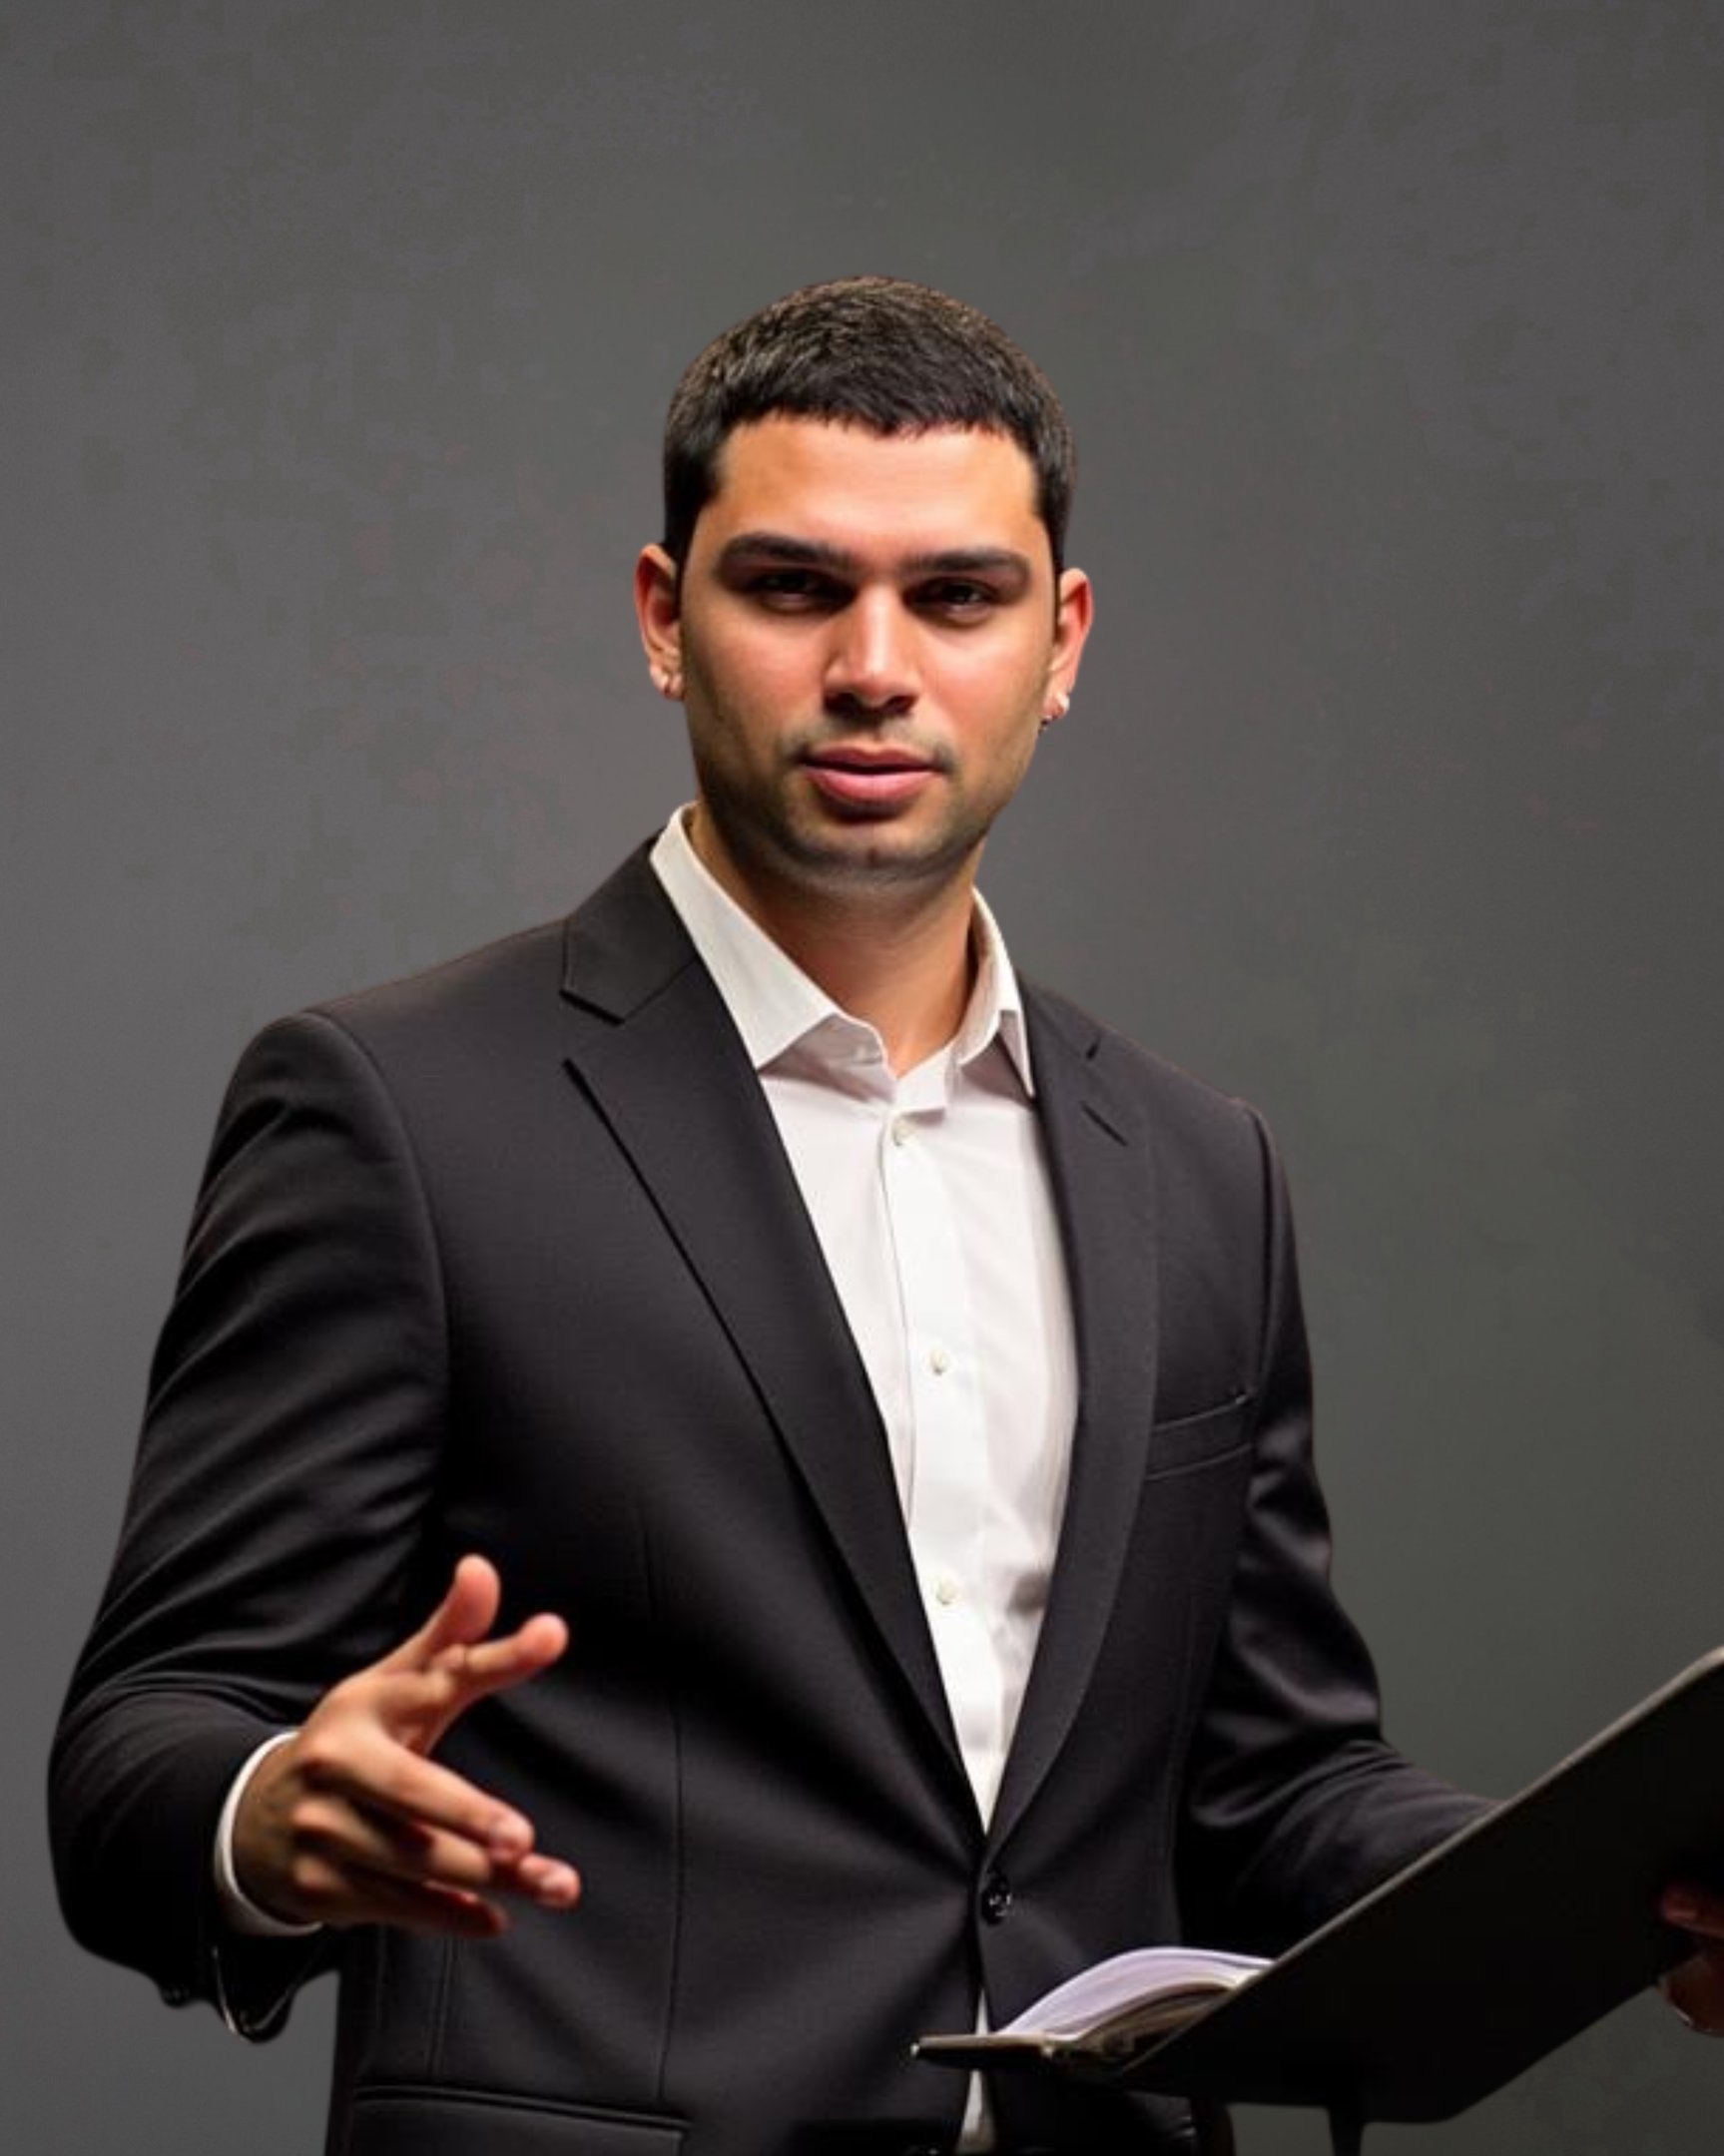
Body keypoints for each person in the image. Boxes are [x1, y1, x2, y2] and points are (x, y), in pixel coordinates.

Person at [51, 277, 1724, 2156]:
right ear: (664, 619)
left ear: (1060, 640)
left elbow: (1267, 1789)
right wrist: (268, 1812)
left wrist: (1643, 1894)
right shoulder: (401, 1114)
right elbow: (139, 1748)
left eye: (956, 596)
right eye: (792, 588)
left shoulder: (1196, 1170)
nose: (873, 666)